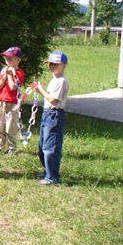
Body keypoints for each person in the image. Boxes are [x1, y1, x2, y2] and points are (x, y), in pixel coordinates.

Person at [34, 51, 69, 186]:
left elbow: (53, 100)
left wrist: (40, 90)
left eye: (55, 64)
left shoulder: (61, 81)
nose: (52, 66)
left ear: (63, 66)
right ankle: (47, 171)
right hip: (47, 113)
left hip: (55, 114)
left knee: (51, 147)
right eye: (50, 64)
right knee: (43, 145)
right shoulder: (55, 79)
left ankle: (52, 177)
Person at [0, 46, 25, 155]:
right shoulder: (4, 71)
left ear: (18, 60)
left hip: (13, 103)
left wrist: (10, 75)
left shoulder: (19, 73)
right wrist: (5, 75)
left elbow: (12, 87)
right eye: (6, 59)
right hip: (2, 101)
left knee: (11, 125)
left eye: (10, 59)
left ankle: (12, 146)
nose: (7, 61)